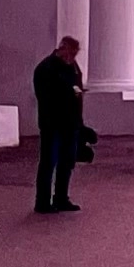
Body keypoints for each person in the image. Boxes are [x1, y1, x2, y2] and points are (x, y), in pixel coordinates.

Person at [32, 35, 86, 214]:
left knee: (67, 162)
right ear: (62, 48)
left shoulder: (72, 67)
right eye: (70, 53)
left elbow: (76, 89)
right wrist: (70, 93)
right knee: (49, 162)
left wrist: (80, 123)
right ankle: (42, 202)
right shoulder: (46, 68)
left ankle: (61, 198)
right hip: (52, 124)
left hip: (70, 123)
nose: (72, 57)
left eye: (75, 54)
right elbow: (47, 97)